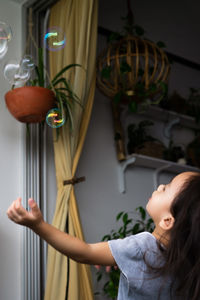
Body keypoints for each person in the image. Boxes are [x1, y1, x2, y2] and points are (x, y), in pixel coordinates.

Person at [7, 171, 200, 300]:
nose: (159, 187)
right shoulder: (190, 263)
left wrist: (38, 225)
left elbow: (85, 252)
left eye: (166, 188)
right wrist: (124, 260)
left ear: (167, 221)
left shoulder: (141, 247)